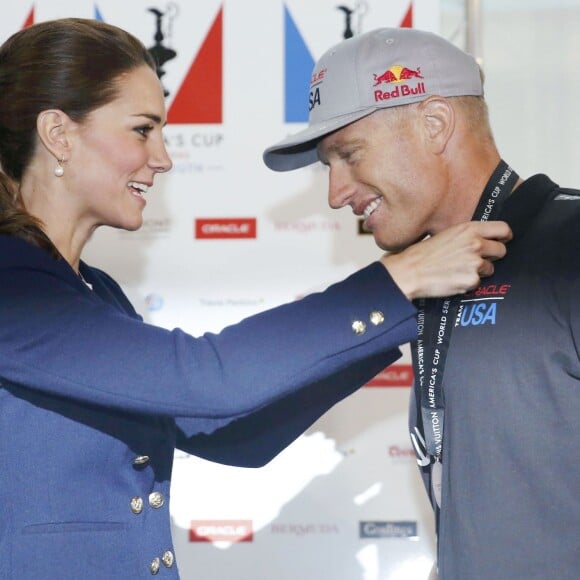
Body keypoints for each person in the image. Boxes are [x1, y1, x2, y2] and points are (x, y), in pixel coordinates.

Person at [0, 19, 510, 580]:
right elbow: (207, 381)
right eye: (143, 130)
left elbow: (229, 434)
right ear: (58, 133)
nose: (164, 158)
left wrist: (402, 314)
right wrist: (393, 285)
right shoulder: (12, 284)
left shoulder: (94, 290)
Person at [264, 26, 580, 580]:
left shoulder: (571, 243)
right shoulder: (431, 277)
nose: (336, 193)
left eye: (349, 154)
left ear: (434, 125)